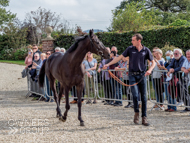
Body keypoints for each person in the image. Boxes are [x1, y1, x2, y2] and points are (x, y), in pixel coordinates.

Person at [104, 33, 155, 126]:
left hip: (142, 75)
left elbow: (153, 62)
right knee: (135, 95)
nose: (132, 42)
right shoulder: (130, 49)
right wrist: (108, 64)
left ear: (139, 41)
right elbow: (119, 58)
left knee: (144, 97)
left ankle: (144, 117)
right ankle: (136, 113)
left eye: (133, 40)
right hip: (132, 75)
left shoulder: (146, 50)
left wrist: (150, 70)